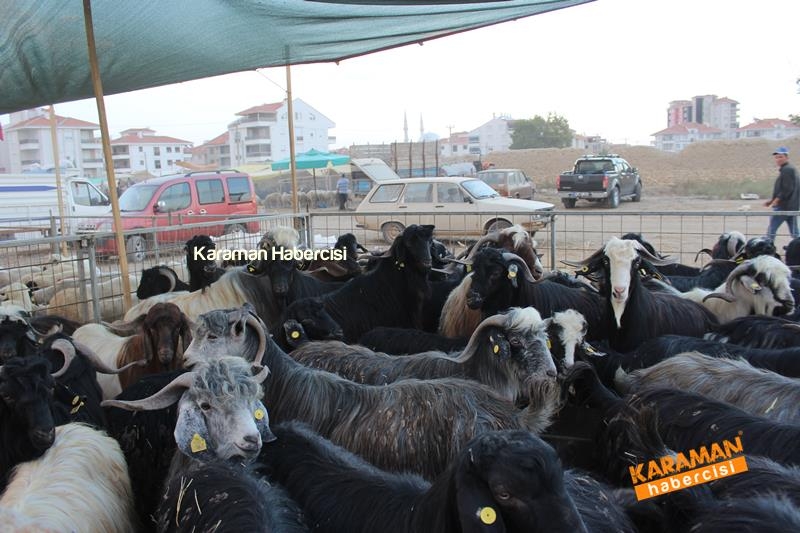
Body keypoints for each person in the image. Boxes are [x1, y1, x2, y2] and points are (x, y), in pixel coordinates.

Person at [765, 146, 800, 241]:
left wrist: (777, 200)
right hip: (792, 206)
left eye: (780, 157)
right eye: (776, 157)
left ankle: (766, 249)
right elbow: (784, 188)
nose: (778, 159)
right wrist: (771, 200)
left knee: (771, 230)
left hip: (783, 207)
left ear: (787, 157)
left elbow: (787, 189)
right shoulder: (789, 169)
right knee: (795, 233)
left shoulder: (787, 170)